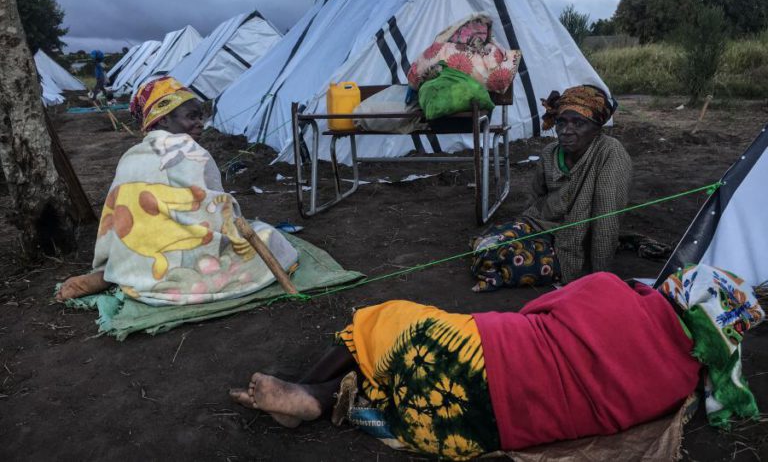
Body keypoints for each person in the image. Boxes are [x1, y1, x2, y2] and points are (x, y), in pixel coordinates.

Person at [230, 264, 764, 460]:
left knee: (383, 319)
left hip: (471, 357)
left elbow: (532, 310)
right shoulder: (680, 384)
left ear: (679, 289)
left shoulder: (609, 290)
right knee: (403, 382)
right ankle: (322, 401)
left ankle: (309, 390)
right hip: (458, 433)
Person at [57, 76, 298, 305]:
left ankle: (113, 273)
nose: (200, 123)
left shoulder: (130, 156)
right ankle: (187, 279)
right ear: (163, 119)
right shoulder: (193, 152)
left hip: (136, 254)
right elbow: (220, 213)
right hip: (187, 254)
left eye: (201, 117)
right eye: (191, 116)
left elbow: (113, 216)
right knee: (269, 236)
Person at [469, 84, 632, 291]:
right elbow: (535, 199)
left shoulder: (610, 154)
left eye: (578, 123)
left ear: (596, 127)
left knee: (502, 259)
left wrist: (600, 279)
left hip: (574, 243)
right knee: (487, 245)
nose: (566, 131)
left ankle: (501, 271)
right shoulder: (550, 153)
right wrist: (522, 230)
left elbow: (606, 219)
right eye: (561, 122)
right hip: (541, 227)